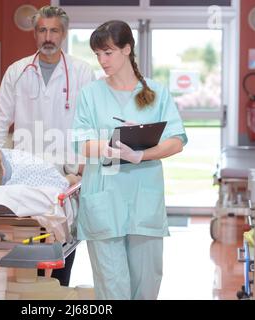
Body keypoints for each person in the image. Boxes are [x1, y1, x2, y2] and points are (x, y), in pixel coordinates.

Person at [71, 20, 188, 300]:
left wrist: (142, 153)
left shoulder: (156, 93)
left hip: (143, 203)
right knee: (112, 290)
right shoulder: (90, 94)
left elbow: (177, 140)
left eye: (107, 53)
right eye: (97, 54)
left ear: (127, 49)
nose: (101, 60)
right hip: (104, 202)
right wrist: (113, 146)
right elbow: (81, 142)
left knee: (146, 287)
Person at [0, 5, 95, 286]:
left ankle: (59, 288)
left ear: (63, 33)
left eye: (54, 30)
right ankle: (33, 288)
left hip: (67, 167)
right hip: (27, 167)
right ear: (35, 33)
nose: (48, 36)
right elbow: (0, 121)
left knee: (66, 235)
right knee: (30, 234)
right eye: (42, 30)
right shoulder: (18, 71)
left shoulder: (82, 72)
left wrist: (86, 161)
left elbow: (91, 122)